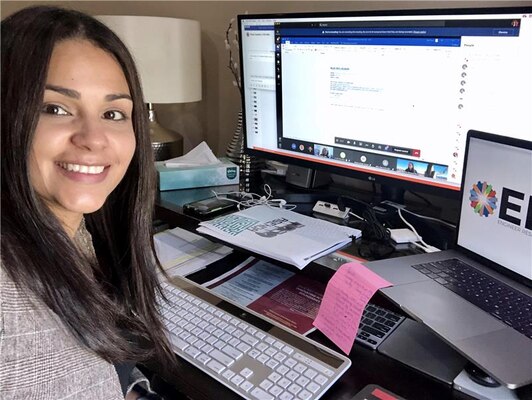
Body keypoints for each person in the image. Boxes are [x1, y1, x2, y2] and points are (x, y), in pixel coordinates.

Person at [1, 6, 177, 399]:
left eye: (113, 113)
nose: (94, 138)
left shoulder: (74, 226)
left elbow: (107, 364)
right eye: (55, 108)